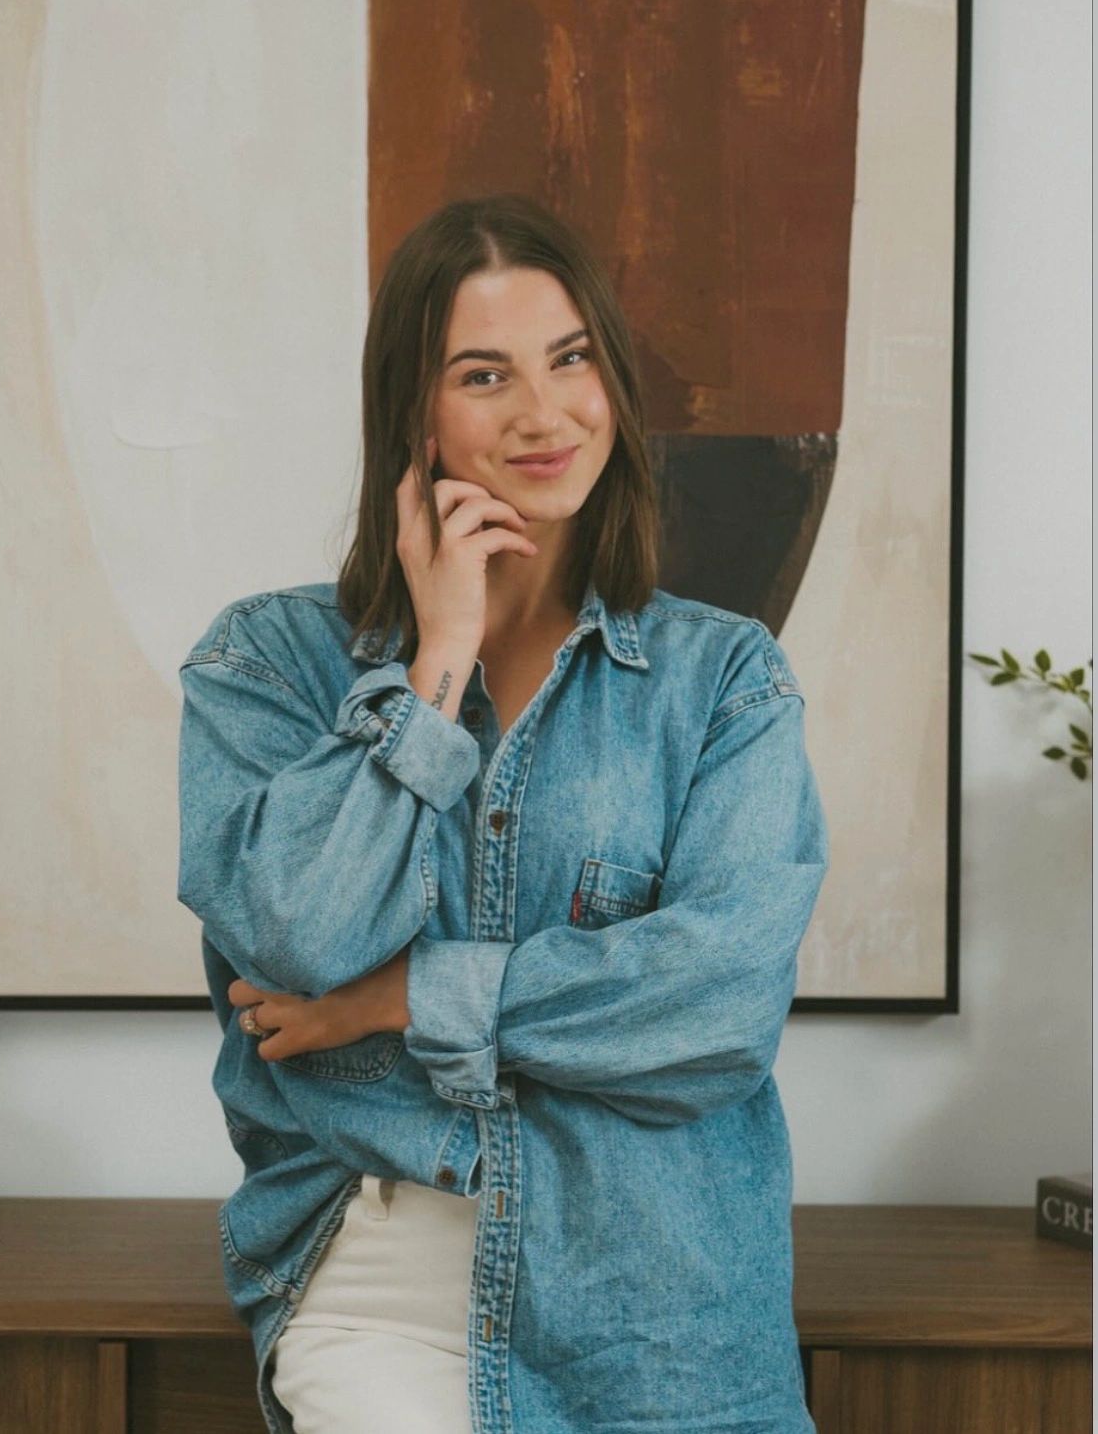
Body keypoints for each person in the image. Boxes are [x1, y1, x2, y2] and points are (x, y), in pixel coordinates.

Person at [176, 193, 829, 1434]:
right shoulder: (268, 662)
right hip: (381, 1282)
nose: (545, 412)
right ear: (411, 415)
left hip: (658, 1304)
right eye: (485, 374)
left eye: (570, 358)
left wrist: (399, 998)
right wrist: (437, 658)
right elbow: (296, 936)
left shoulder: (726, 681)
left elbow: (720, 1005)